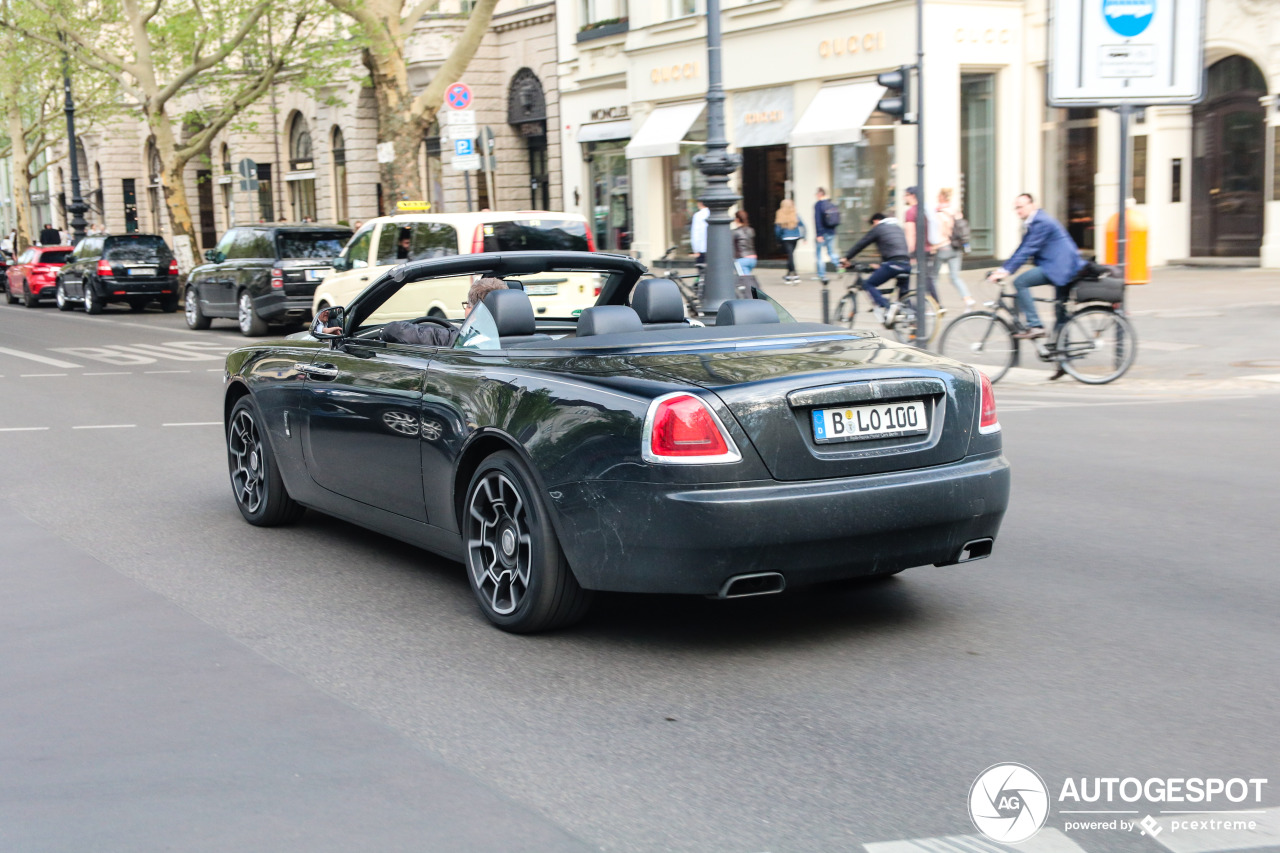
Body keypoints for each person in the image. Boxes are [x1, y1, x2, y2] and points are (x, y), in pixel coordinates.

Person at [988, 192, 1086, 343]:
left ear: (1032, 205)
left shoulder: (1041, 221)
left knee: (1020, 282)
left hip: (1059, 267)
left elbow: (1028, 250)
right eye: (1016, 208)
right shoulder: (1035, 222)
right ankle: (1062, 357)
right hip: (1064, 266)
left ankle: (1035, 325)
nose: (1018, 211)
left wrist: (1006, 271)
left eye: (1021, 207)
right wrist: (1003, 269)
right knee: (1060, 311)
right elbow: (1021, 249)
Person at [323, 277, 508, 347]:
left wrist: (381, 332)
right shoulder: (533, 340)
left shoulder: (462, 342)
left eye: (466, 305)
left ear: (474, 311)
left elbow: (396, 331)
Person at [838, 213, 912, 323]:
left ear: (876, 221)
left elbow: (862, 244)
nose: (872, 227)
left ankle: (886, 306)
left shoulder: (879, 228)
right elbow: (893, 247)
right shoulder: (897, 228)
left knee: (868, 284)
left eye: (872, 225)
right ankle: (909, 318)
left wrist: (846, 258)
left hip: (893, 264)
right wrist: (882, 264)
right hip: (906, 264)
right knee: (903, 296)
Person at [932, 188, 975, 309]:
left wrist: (933, 247)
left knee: (933, 278)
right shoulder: (956, 212)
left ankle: (934, 305)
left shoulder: (939, 213)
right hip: (956, 248)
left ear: (941, 197)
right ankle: (968, 299)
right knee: (955, 277)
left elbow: (940, 232)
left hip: (943, 247)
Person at [902, 186, 940, 300]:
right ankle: (933, 304)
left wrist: (909, 253)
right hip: (929, 249)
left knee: (922, 278)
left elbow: (911, 234)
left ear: (912, 196)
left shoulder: (911, 212)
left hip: (919, 250)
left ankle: (932, 304)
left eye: (906, 195)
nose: (904, 198)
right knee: (926, 277)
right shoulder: (926, 210)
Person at [773, 199, 805, 284]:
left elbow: (777, 229)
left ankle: (795, 274)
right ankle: (788, 275)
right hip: (795, 237)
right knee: (790, 256)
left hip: (786, 238)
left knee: (790, 256)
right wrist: (804, 236)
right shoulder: (795, 214)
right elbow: (802, 225)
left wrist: (778, 239)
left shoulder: (780, 214)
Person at [813, 188, 840, 281]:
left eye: (816, 193)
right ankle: (839, 265)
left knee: (819, 253)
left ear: (820, 194)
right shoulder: (831, 203)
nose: (815, 195)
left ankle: (821, 275)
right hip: (832, 232)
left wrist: (819, 234)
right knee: (831, 252)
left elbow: (817, 220)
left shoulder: (818, 204)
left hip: (822, 232)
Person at [731, 210, 757, 275]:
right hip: (753, 257)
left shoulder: (735, 232)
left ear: (737, 219)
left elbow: (732, 246)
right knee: (746, 277)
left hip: (741, 258)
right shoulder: (751, 230)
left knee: (745, 279)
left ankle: (752, 285)